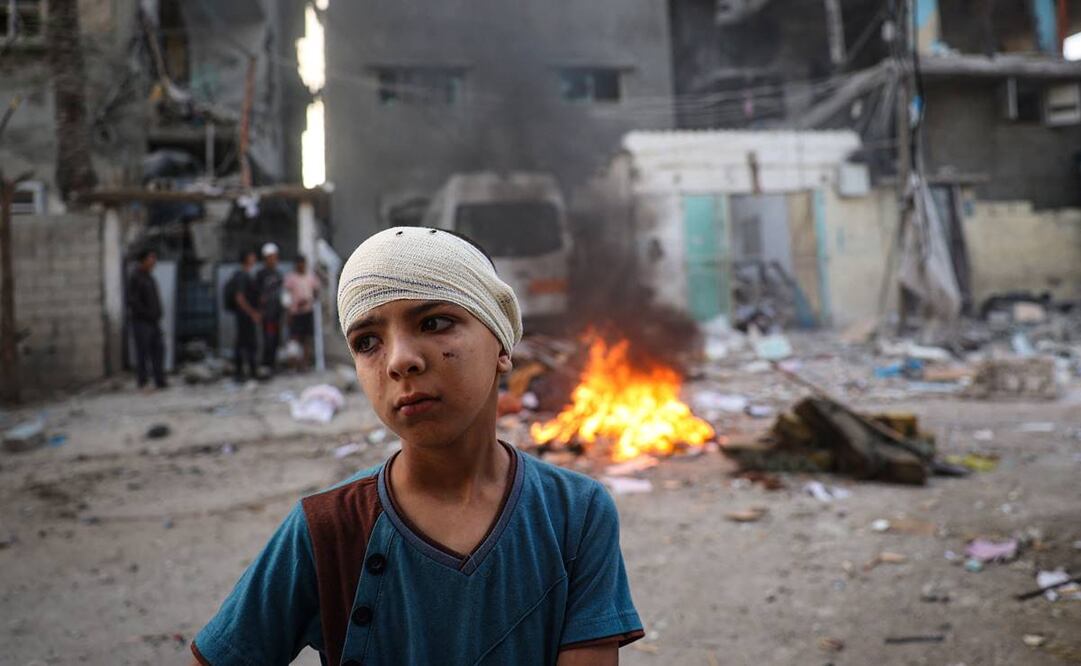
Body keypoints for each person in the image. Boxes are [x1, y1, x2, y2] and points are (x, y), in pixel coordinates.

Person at [190, 227, 643, 666]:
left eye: (435, 322)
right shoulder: (327, 528)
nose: (400, 360)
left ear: (502, 343)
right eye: (367, 342)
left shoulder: (574, 513)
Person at [127, 248, 167, 391]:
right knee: (143, 352)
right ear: (143, 260)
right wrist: (147, 313)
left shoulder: (150, 277)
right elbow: (133, 301)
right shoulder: (136, 277)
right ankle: (142, 381)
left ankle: (160, 380)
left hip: (153, 321)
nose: (154, 261)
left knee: (159, 350)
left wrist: (157, 313)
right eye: (151, 258)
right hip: (142, 322)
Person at [226, 249, 261, 382]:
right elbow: (239, 298)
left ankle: (246, 372)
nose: (254, 258)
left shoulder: (246, 275)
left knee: (245, 343)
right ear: (246, 259)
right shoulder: (242, 276)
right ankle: (243, 373)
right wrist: (252, 313)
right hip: (245, 316)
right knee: (246, 344)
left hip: (245, 315)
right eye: (252, 256)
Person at [283, 254, 321, 371]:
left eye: (302, 264)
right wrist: (289, 311)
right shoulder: (290, 278)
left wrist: (309, 300)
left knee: (306, 338)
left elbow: (316, 292)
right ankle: (293, 364)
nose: (301, 266)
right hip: (295, 312)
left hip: (307, 312)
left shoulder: (311, 277)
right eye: (298, 264)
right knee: (294, 339)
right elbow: (286, 296)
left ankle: (305, 364)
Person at [254, 242, 284, 375]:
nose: (274, 260)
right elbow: (257, 294)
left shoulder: (278, 273)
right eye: (271, 257)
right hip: (267, 314)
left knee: (276, 339)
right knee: (268, 339)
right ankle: (266, 364)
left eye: (275, 257)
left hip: (277, 312)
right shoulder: (260, 274)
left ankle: (273, 364)